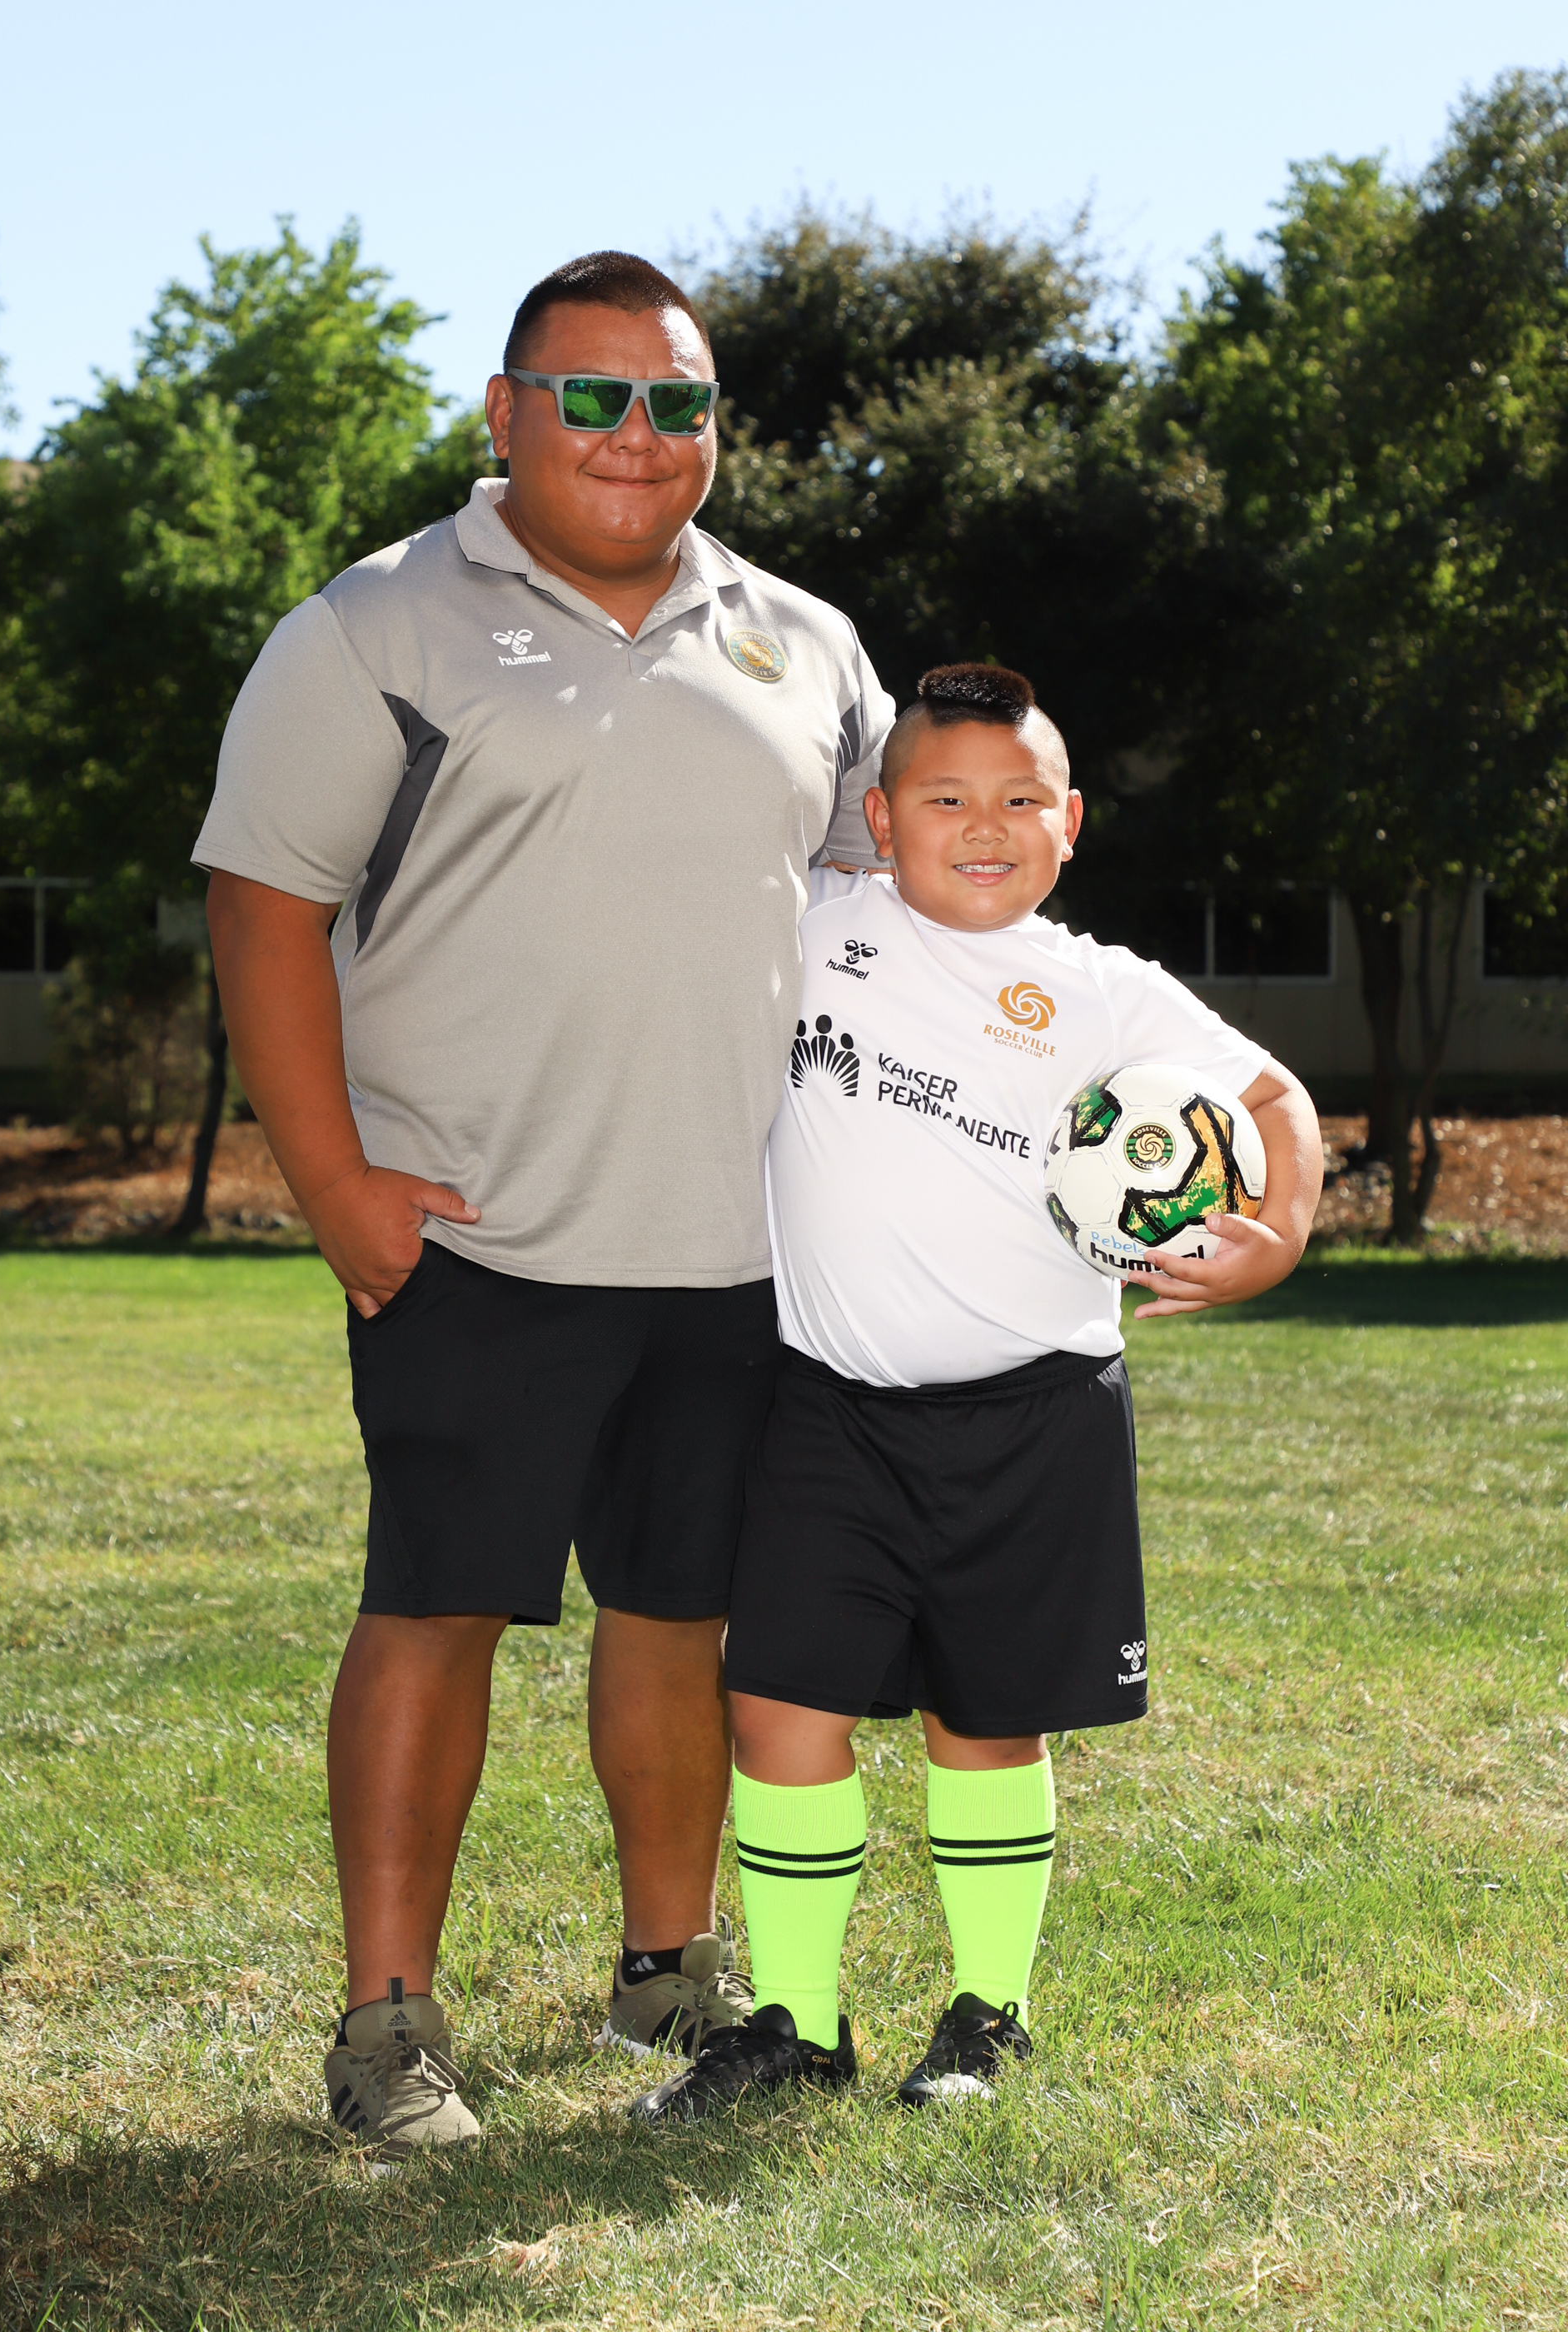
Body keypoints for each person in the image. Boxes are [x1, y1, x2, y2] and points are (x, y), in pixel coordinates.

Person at [193, 251, 894, 2152]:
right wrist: (332, 1183)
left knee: (679, 1618)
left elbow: (888, 912)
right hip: (475, 1237)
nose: (636, 434)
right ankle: (386, 2026)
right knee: (435, 1610)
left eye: (677, 401)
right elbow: (261, 909)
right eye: (591, 396)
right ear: (505, 413)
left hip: (740, 1248)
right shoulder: (373, 627)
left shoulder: (805, 643)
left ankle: (668, 1968)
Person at [630, 663, 1323, 2123]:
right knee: (778, 1707)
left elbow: (1275, 1101)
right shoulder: (817, 930)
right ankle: (798, 2022)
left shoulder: (1105, 992)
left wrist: (1279, 1234)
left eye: (1020, 799)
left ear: (1070, 822)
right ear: (880, 821)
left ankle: (986, 2014)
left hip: (1037, 1412)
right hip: (828, 1408)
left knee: (987, 1720)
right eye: (945, 799)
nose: (985, 826)